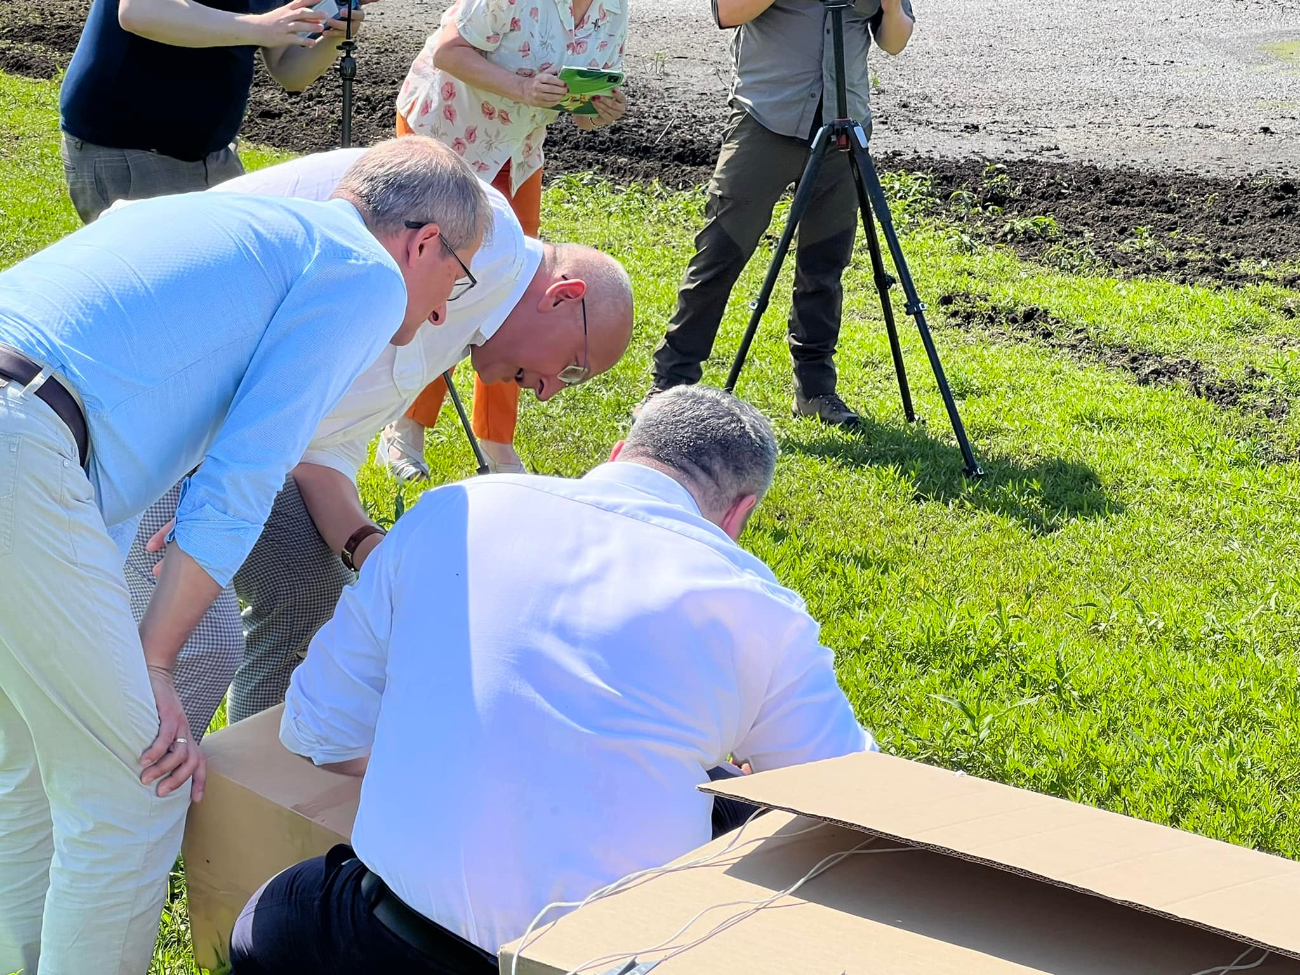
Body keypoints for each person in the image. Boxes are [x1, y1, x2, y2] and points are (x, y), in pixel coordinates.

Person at [0, 137, 490, 975]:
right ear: (421, 242)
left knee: (34, 769)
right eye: (462, 273)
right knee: (135, 787)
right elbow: (246, 477)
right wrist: (155, 663)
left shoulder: (249, 224)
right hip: (24, 439)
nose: (446, 309)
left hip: (29, 423)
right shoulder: (363, 271)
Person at [228, 385, 874, 973]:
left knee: (270, 919)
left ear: (620, 451)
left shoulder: (452, 508)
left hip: (390, 936)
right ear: (739, 512)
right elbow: (853, 804)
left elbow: (317, 727)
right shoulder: (761, 607)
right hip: (602, 960)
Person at [119, 146, 634, 737]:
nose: (547, 392)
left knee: (312, 594)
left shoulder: (465, 301)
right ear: (564, 297)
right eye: (571, 367)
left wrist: (375, 552)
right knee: (196, 643)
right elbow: (258, 412)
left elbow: (322, 451)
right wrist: (204, 503)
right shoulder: (478, 242)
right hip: (149, 394)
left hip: (225, 427)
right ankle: (127, 809)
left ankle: (255, 798)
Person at [384, 0, 631, 479]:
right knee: (440, 285)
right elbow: (448, 52)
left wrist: (598, 109)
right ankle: (405, 427)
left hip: (516, 155)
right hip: (444, 135)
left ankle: (496, 440)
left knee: (519, 290)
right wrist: (522, 88)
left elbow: (580, 108)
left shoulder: (612, 8)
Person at [641, 0, 915, 428]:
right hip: (764, 121)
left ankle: (815, 389)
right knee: (718, 256)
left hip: (842, 131)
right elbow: (726, 13)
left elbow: (894, 41)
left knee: (825, 267)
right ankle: (670, 386)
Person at [59, 0, 372, 223]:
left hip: (211, 153)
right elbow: (140, 11)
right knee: (172, 302)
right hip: (126, 148)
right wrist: (260, 27)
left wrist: (333, 37)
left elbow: (290, 71)